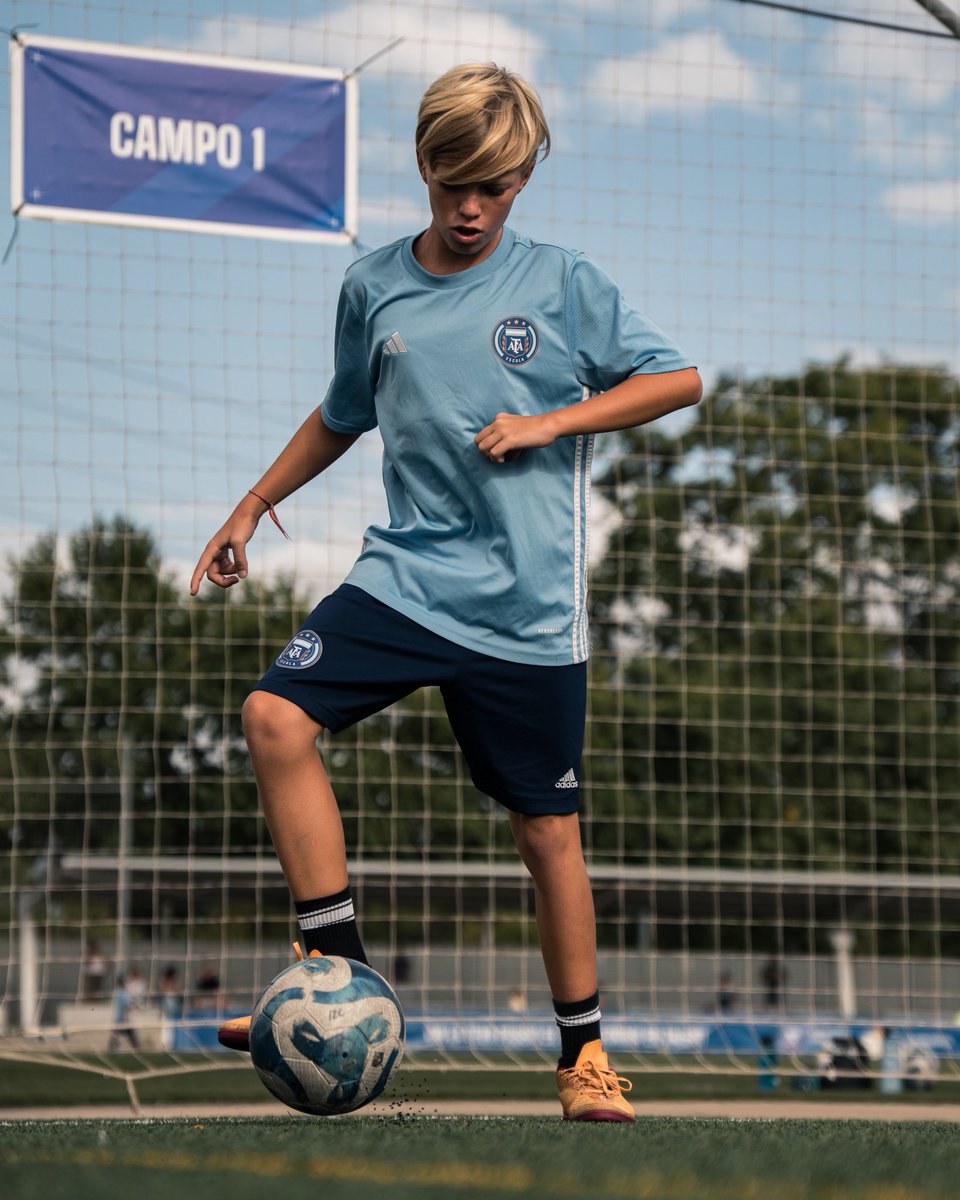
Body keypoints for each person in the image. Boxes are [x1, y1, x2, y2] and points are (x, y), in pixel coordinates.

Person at [191, 62, 701, 1121]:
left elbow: (676, 379)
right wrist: (249, 503)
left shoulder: (563, 285)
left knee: (546, 831)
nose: (473, 208)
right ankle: (334, 979)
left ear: (523, 180)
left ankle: (583, 1061)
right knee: (274, 717)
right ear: (423, 164)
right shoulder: (373, 287)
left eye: (498, 186)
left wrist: (553, 421)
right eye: (454, 181)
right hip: (408, 579)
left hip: (526, 613)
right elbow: (342, 412)